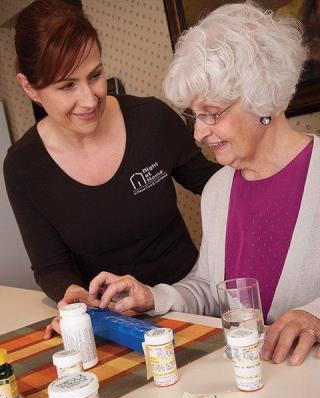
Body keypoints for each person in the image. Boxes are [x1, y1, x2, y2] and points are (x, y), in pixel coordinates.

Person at [88, 3, 320, 366]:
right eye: (195, 116)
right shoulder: (217, 191)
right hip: (250, 380)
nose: (198, 132)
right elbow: (211, 291)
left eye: (211, 113)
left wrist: (316, 316)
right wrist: (151, 296)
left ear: (263, 96)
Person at [3, 0, 219, 322]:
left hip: (188, 301)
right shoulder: (23, 166)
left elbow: (217, 185)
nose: (89, 100)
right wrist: (72, 292)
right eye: (67, 86)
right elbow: (51, 265)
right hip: (113, 319)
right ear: (29, 88)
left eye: (95, 75)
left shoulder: (152, 120)